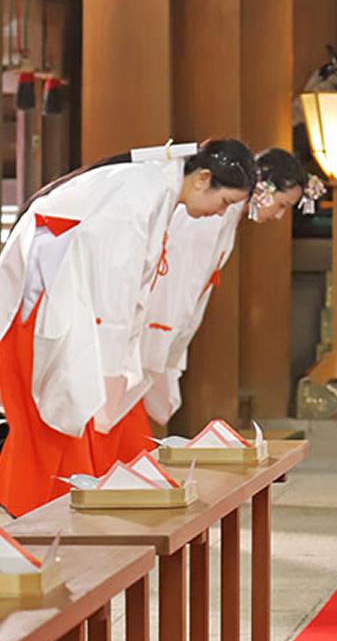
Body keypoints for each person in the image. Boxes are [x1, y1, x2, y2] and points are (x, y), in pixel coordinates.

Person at [0, 139, 259, 516]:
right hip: (45, 306)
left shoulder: (152, 189)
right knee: (57, 423)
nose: (221, 213)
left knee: (75, 424)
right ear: (203, 179)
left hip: (68, 306)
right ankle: (40, 526)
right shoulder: (140, 193)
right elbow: (114, 284)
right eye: (224, 202)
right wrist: (114, 365)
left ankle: (55, 520)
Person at [141, 149, 320, 425]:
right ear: (263, 188)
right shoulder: (208, 216)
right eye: (282, 205)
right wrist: (165, 336)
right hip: (156, 319)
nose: (279, 216)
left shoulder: (224, 215)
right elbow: (178, 281)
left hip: (170, 321)